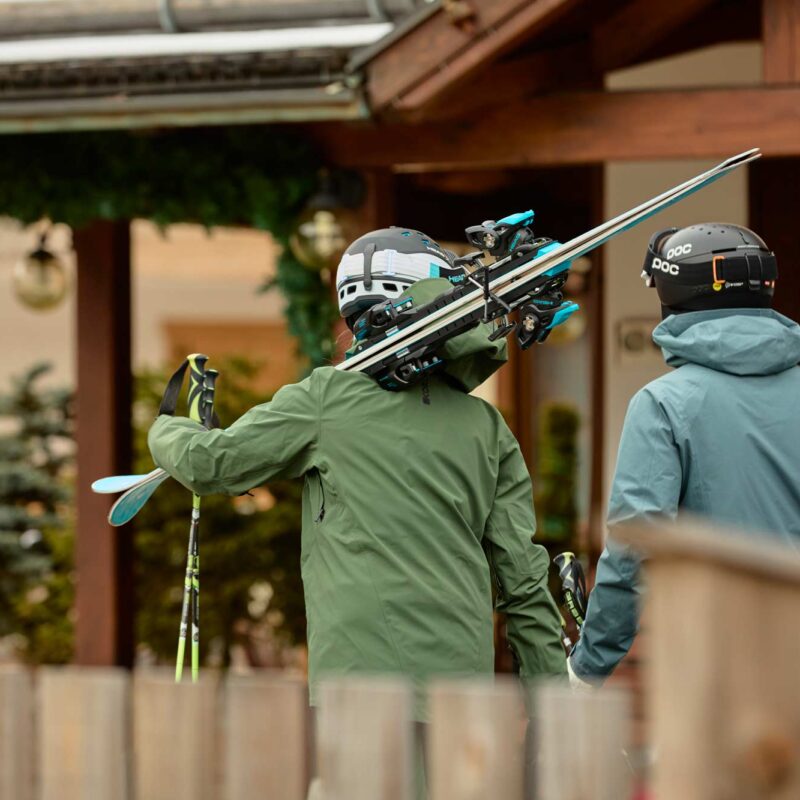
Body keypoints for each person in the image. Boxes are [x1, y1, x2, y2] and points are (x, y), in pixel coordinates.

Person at [148, 226, 567, 707]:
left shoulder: (327, 397)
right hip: (460, 701)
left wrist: (164, 429)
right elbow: (524, 583)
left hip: (357, 691)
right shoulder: (487, 427)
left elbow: (211, 462)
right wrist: (552, 706)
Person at [568, 222, 800, 687]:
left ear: (673, 293)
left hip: (728, 668)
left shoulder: (664, 404)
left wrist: (587, 667)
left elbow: (634, 549)